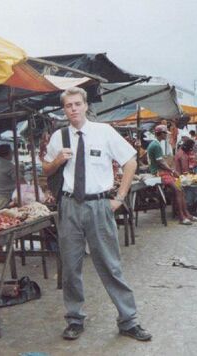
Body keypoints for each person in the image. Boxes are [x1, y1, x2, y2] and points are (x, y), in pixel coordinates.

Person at [43, 87, 151, 342]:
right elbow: (46, 169)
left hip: (99, 205)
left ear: (85, 105)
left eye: (77, 104)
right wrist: (57, 160)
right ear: (64, 109)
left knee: (110, 265)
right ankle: (74, 319)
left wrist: (119, 198)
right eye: (68, 105)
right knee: (70, 267)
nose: (73, 109)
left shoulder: (103, 132)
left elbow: (130, 161)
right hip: (69, 206)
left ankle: (128, 320)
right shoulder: (59, 137)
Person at [147, 125, 197, 225]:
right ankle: (181, 217)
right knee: (178, 190)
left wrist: (171, 170)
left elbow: (162, 161)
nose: (166, 135)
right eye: (165, 133)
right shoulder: (156, 145)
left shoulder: (156, 144)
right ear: (161, 134)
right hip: (159, 172)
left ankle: (186, 214)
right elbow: (160, 162)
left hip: (163, 171)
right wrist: (172, 170)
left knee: (181, 189)